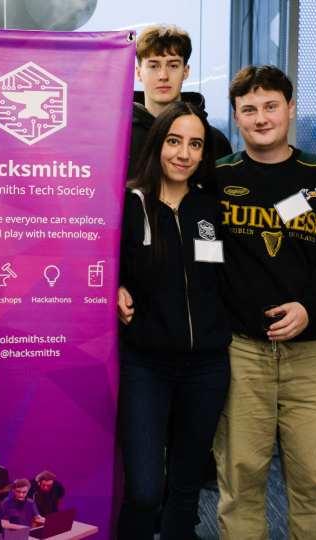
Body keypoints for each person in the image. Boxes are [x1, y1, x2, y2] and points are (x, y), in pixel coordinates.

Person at [212, 65, 316, 539]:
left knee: (315, 485)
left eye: (271, 106)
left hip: (309, 358)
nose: (261, 118)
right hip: (241, 354)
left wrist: (312, 306)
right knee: (239, 482)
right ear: (236, 117)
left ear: (290, 108)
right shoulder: (217, 178)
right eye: (249, 109)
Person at [116, 101, 230, 539]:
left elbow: (224, 275)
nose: (183, 153)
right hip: (146, 365)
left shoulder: (209, 208)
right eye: (174, 141)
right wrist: (114, 288)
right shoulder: (130, 204)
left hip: (206, 367)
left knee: (185, 490)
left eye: (195, 144)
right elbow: (100, 264)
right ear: (157, 144)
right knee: (144, 490)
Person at [128, 24, 231, 179]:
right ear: (138, 73)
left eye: (173, 65)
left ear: (186, 71)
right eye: (154, 66)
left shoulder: (213, 140)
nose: (163, 75)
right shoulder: (121, 141)